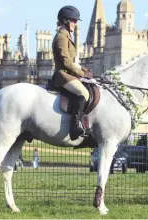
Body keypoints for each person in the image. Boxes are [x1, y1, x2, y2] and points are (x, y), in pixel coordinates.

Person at [52, 5, 93, 141]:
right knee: (84, 93)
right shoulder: (61, 37)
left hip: (68, 74)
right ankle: (74, 127)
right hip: (62, 75)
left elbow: (72, 62)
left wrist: (84, 70)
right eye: (74, 21)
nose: (75, 24)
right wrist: (81, 74)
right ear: (65, 21)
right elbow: (66, 63)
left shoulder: (67, 36)